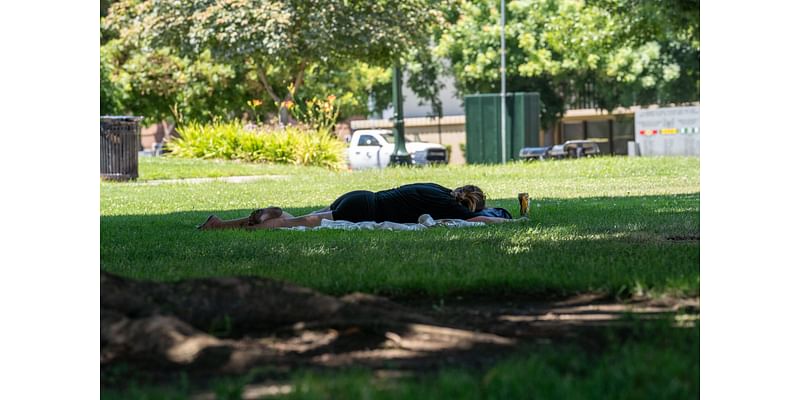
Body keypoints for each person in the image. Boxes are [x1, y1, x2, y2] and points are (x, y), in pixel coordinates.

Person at [197, 182, 518, 230]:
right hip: (366, 210)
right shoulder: (458, 210)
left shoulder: (438, 189)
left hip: (361, 196)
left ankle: (221, 224)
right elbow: (483, 221)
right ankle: (275, 218)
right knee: (304, 223)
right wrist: (517, 221)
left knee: (307, 218)